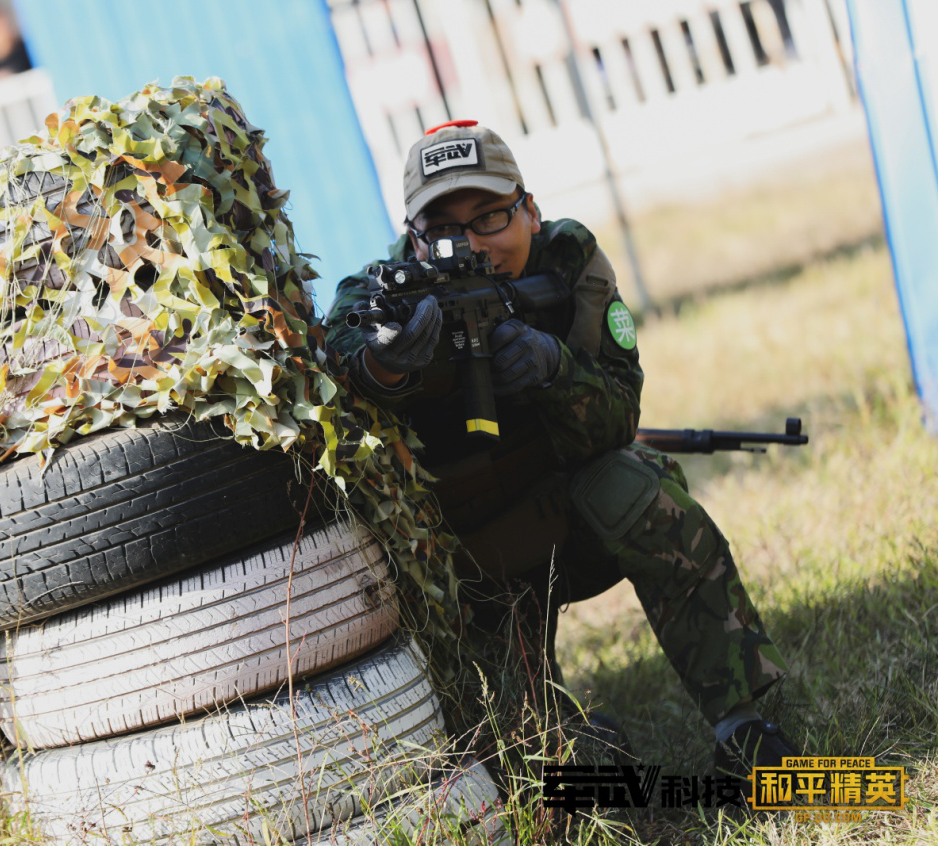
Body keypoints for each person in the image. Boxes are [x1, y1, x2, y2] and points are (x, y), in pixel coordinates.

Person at [325, 120, 798, 776]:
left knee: (636, 482)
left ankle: (742, 723)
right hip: (474, 575)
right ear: (411, 238)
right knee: (571, 778)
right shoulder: (382, 296)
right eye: (443, 230)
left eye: (490, 216)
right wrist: (384, 369)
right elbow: (339, 353)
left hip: (574, 525)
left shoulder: (566, 264)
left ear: (530, 211)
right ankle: (571, 736)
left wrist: (555, 370)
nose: (470, 245)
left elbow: (616, 418)